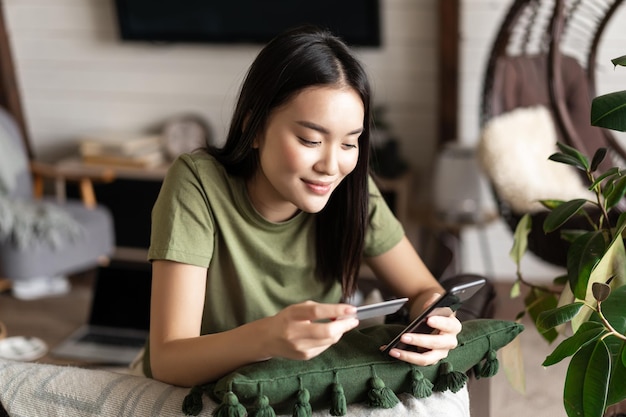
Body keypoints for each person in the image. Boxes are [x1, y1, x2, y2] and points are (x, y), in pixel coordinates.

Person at [145, 25, 462, 388]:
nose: (331, 166)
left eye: (349, 144)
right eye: (310, 139)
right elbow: (168, 361)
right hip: (206, 387)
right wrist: (267, 337)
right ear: (255, 127)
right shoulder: (197, 183)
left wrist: (435, 319)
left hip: (304, 385)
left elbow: (425, 290)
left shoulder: (352, 189)